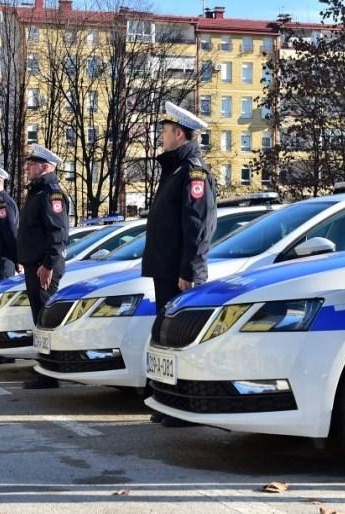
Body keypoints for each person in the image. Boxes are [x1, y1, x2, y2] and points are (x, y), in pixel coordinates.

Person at [142, 101, 217, 428]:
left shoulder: (192, 172)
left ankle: (186, 405)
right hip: (166, 270)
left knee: (181, 342)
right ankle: (170, 402)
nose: (161, 137)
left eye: (165, 131)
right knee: (165, 342)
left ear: (179, 134)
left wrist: (190, 271)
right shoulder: (174, 170)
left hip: (179, 274)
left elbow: (198, 225)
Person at [18, 144, 69, 389]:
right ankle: (44, 368)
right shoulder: (37, 192)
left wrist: (48, 264)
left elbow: (58, 233)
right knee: (39, 319)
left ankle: (49, 373)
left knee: (44, 319)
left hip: (43, 267)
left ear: (46, 167)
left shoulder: (51, 193)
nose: (28, 167)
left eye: (32, 164)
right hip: (35, 265)